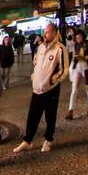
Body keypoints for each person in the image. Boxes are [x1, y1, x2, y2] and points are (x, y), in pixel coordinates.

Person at [13, 22, 68, 154]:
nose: (45, 34)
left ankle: (48, 140)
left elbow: (64, 69)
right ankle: (27, 141)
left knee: (50, 116)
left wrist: (53, 79)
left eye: (48, 32)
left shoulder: (60, 49)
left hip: (51, 89)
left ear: (55, 33)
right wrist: (34, 76)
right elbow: (36, 63)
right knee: (32, 116)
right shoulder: (40, 48)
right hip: (36, 89)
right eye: (45, 31)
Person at [66, 28, 88, 120]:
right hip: (77, 67)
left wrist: (83, 57)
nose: (78, 39)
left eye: (79, 37)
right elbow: (73, 56)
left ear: (83, 36)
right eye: (77, 37)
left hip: (86, 67)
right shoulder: (75, 45)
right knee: (74, 88)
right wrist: (75, 59)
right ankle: (70, 110)